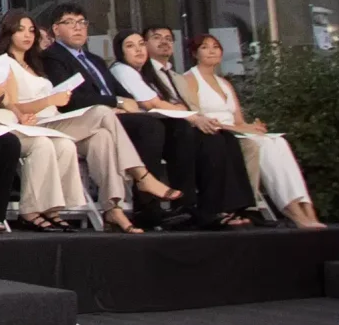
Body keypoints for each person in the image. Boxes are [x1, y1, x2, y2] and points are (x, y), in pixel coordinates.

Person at [16, 6, 185, 232]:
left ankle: (112, 208)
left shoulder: (95, 59)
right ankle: (141, 176)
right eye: (70, 22)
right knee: (138, 123)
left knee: (104, 137)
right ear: (56, 29)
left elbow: (118, 93)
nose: (78, 27)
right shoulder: (51, 57)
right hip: (67, 119)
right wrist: (116, 104)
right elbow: (73, 99)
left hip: (98, 121)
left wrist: (121, 103)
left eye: (82, 22)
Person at [108, 27, 258, 228]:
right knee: (191, 133)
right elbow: (152, 103)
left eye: (140, 44)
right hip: (142, 130)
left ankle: (216, 208)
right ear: (120, 51)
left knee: (222, 138)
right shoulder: (122, 70)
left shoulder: (148, 72)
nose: (138, 50)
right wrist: (192, 117)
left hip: (164, 126)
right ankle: (186, 206)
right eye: (130, 46)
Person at [0, 13, 85, 229]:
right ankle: (29, 210)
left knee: (64, 144)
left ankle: (52, 208)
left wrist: (22, 116)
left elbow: (10, 101)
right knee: (40, 144)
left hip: (8, 119)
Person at [179, 35, 322, 227]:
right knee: (258, 145)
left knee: (278, 142)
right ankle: (292, 211)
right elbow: (198, 117)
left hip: (235, 130)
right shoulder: (190, 79)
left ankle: (306, 208)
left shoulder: (224, 83)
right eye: (205, 47)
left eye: (216, 46)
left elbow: (239, 120)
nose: (212, 51)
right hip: (215, 134)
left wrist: (253, 127)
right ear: (195, 53)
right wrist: (240, 129)